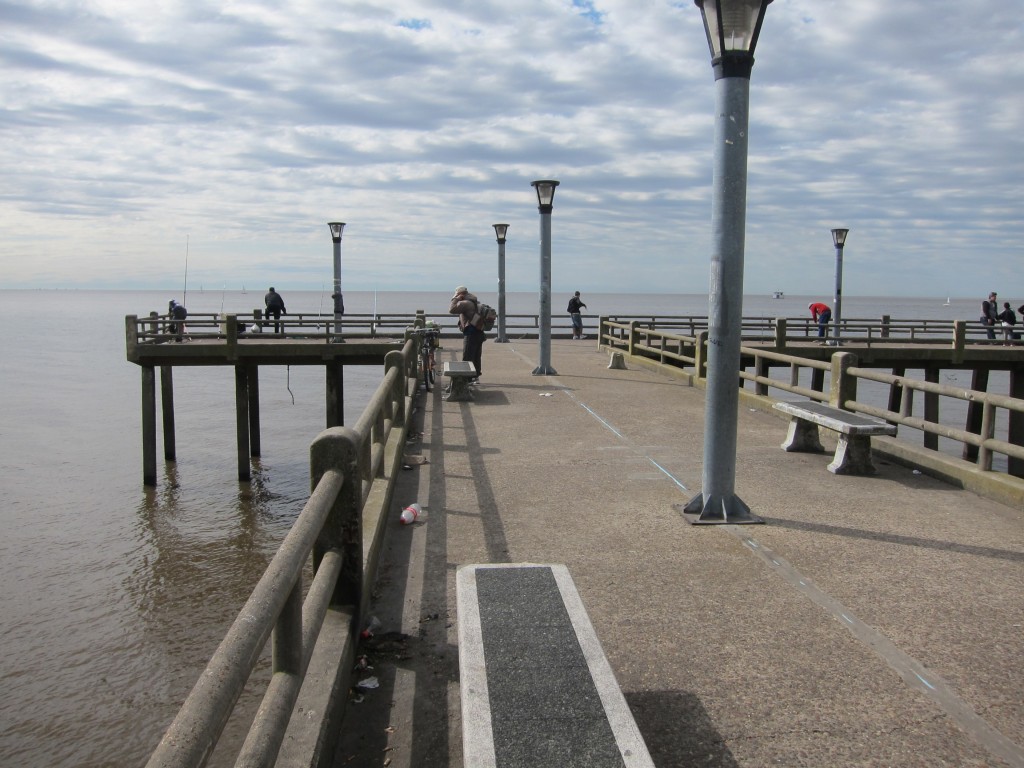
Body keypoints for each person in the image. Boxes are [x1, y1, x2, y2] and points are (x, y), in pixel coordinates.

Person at [449, 285, 484, 381]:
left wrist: (455, 299)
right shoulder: (474, 301)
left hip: (470, 333)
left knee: (467, 357)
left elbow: (451, 310)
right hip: (479, 332)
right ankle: (475, 377)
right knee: (476, 356)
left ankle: (465, 380)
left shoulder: (465, 303)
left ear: (460, 294)